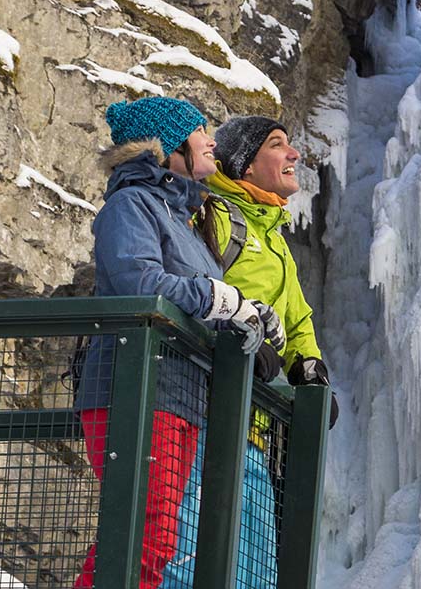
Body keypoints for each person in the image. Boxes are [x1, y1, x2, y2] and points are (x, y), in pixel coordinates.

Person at [72, 96, 281, 589]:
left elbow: (200, 304)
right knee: (143, 536)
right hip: (134, 389)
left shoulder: (184, 221)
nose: (212, 140)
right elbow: (137, 281)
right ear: (167, 148)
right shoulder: (131, 204)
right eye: (199, 130)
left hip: (180, 396)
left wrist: (247, 318)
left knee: (155, 540)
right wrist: (216, 297)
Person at [163, 116, 337, 588]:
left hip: (252, 435)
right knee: (189, 565)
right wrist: (242, 333)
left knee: (253, 576)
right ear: (245, 162)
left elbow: (298, 318)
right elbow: (190, 286)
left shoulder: (275, 241)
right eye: (278, 145)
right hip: (203, 419)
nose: (294, 155)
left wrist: (308, 366)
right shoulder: (214, 215)